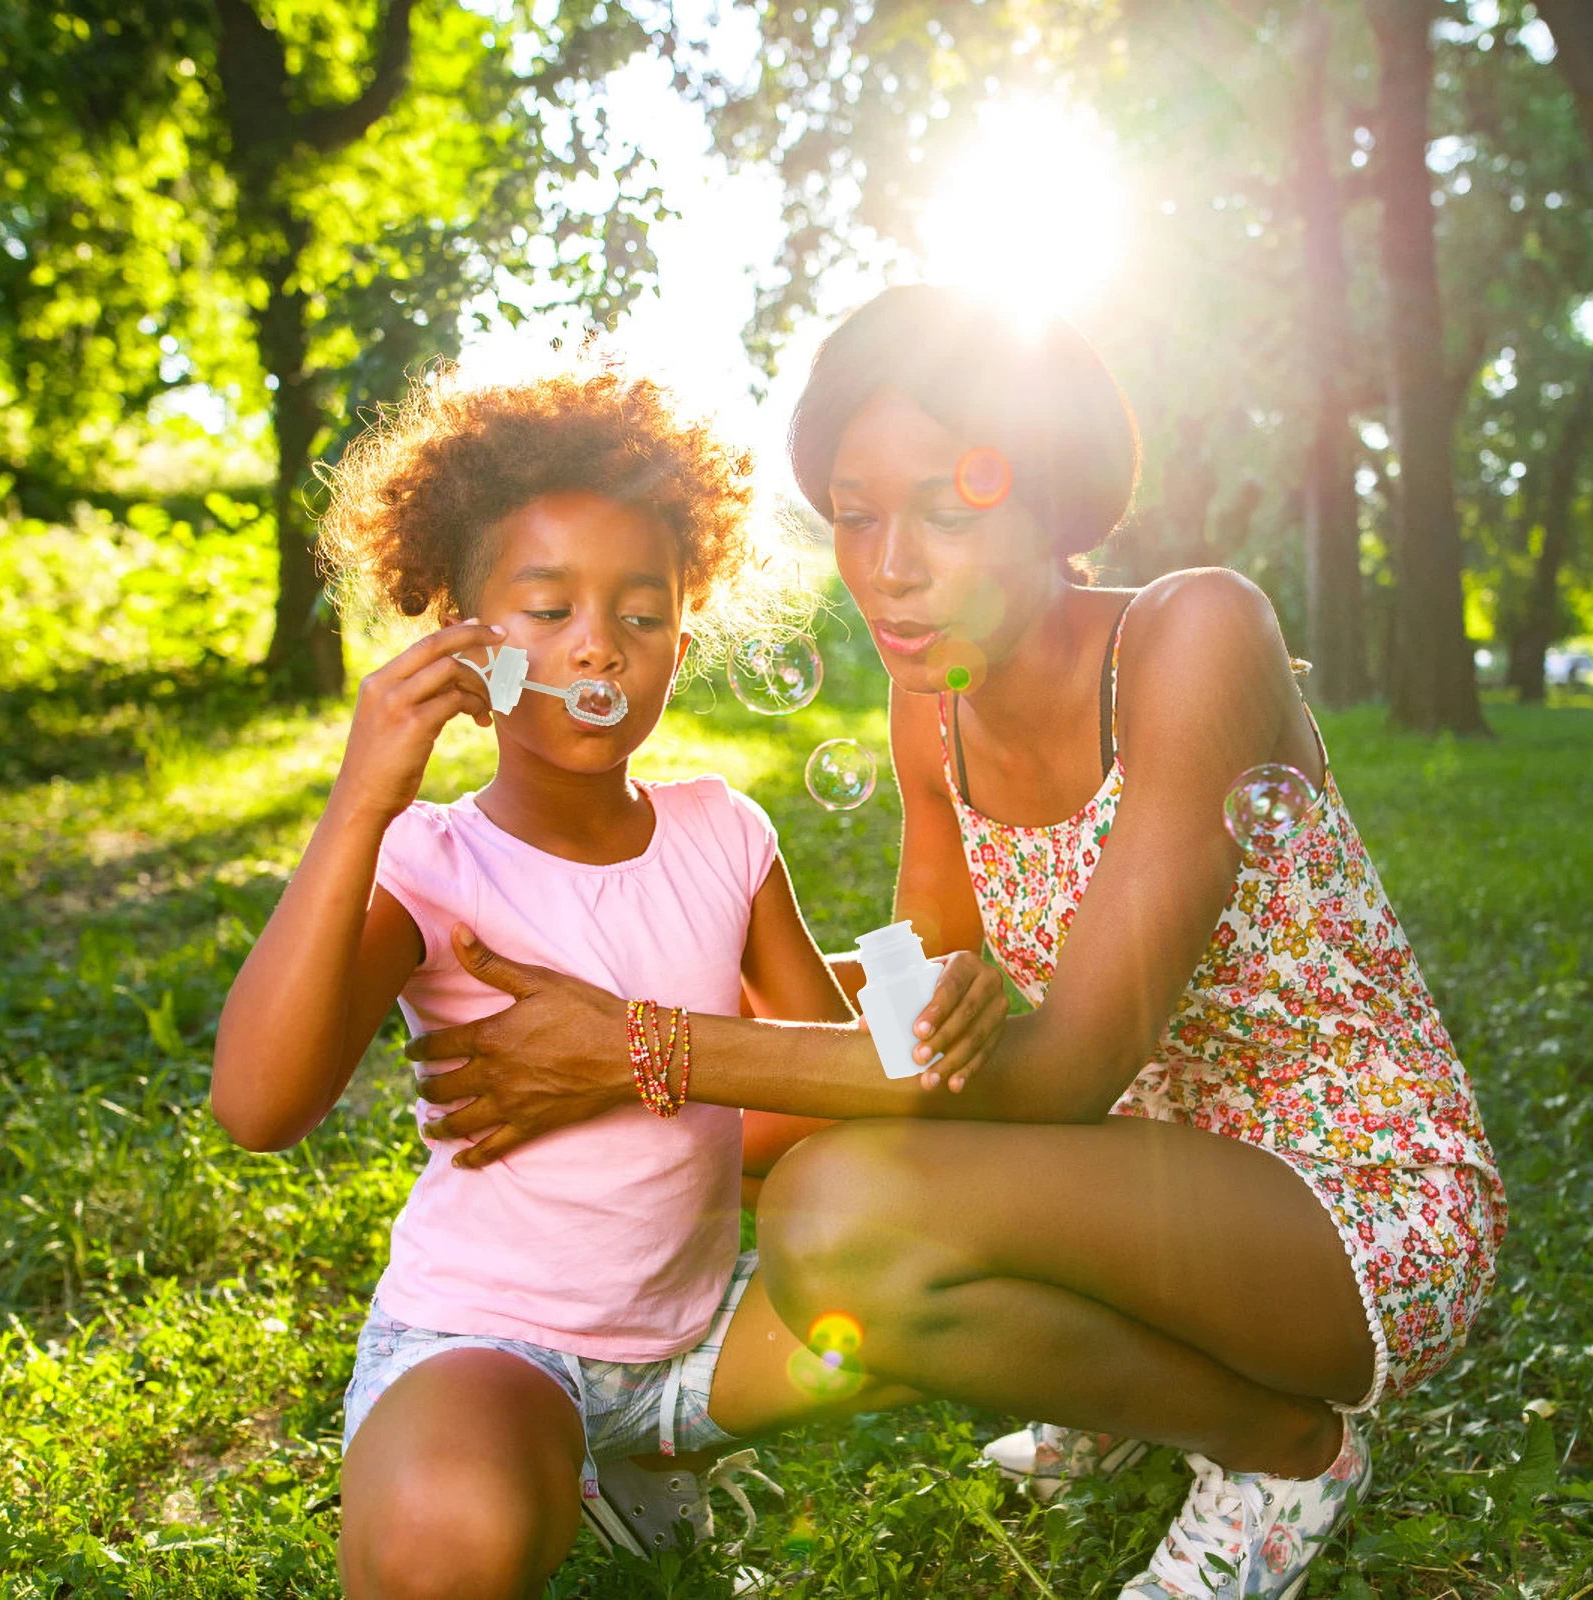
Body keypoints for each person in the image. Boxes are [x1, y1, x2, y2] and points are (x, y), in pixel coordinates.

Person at [404, 288, 1507, 1599]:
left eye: (947, 509)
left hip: (1352, 1208)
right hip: (1142, 1180)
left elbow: (1062, 1072)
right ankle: (1092, 1390)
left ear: (1053, 497)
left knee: (838, 1210)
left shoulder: (1195, 635)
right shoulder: (931, 706)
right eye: (857, 515)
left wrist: (641, 1048)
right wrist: (660, 999)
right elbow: (909, 1019)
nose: (890, 567)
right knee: (771, 1148)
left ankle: (1284, 1450)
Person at [208, 363, 1005, 1600]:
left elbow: (814, 1104)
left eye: (640, 613)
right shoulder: (432, 863)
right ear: (464, 638)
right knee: (449, 1537)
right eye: (546, 608)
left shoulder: (725, 834)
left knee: (995, 1277)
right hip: (491, 1338)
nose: (596, 645)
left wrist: (634, 1064)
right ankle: (541, 1456)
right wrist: (361, 800)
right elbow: (259, 1107)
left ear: (683, 638)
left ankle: (639, 1461)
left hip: (702, 1345)